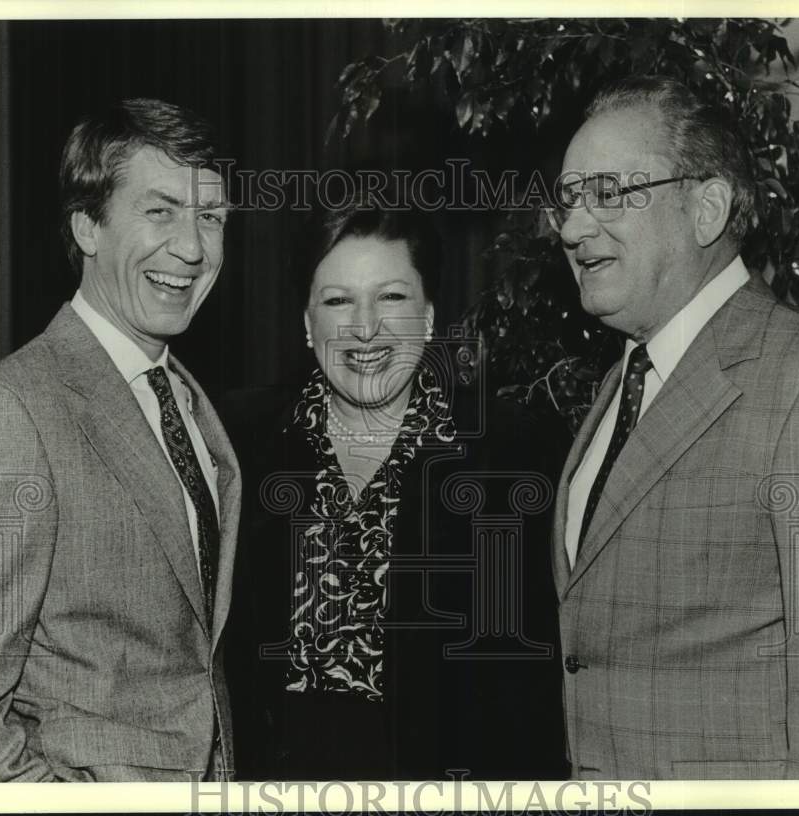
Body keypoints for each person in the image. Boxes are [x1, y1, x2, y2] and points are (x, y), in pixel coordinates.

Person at [546, 76, 799, 780]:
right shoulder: (622, 382)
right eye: (569, 200)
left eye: (607, 194)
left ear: (706, 207)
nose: (573, 228)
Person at [0, 98, 240, 782]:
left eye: (210, 217)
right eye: (160, 211)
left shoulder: (189, 404)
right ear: (87, 226)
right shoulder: (12, 413)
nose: (192, 248)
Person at [222, 202, 570, 780]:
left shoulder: (511, 454)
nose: (365, 327)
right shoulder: (237, 442)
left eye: (391, 297)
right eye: (338, 301)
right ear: (307, 324)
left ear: (429, 316)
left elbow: (528, 686)